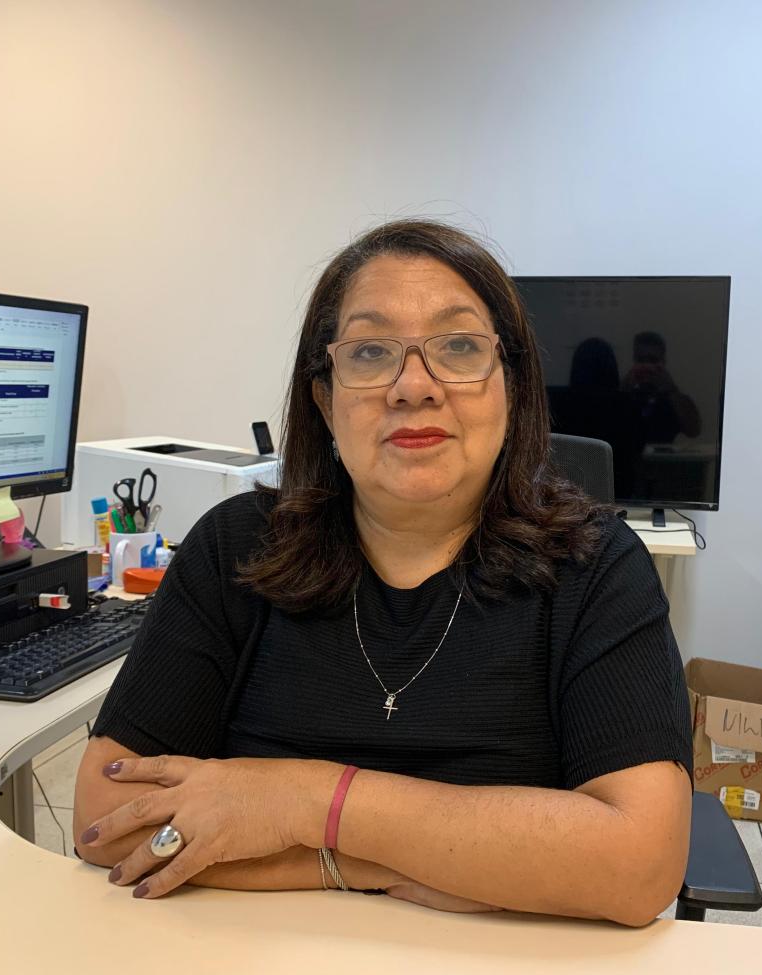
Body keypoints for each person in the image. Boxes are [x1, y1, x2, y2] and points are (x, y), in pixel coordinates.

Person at [73, 219, 694, 926]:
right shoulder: (235, 550)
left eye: (459, 346)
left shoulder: (596, 566)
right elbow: (105, 815)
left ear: (511, 386)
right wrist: (375, 864)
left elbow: (640, 863)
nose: (414, 387)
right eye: (370, 352)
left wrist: (305, 801)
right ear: (324, 398)